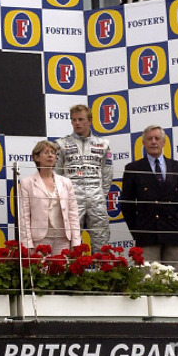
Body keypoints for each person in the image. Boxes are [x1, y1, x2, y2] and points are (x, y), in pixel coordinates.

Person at [121, 125, 178, 267]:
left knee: (175, 282)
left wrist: (173, 221)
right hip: (147, 234)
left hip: (173, 232)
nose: (153, 142)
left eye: (157, 138)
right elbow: (127, 205)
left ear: (163, 142)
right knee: (148, 282)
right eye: (149, 139)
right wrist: (138, 231)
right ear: (143, 143)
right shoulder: (133, 169)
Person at [55, 105, 113, 252]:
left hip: (96, 198)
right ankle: (71, 273)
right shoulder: (61, 144)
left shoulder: (103, 144)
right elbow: (57, 173)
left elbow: (107, 174)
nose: (77, 123)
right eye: (74, 120)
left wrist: (99, 194)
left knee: (101, 241)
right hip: (71, 199)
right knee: (70, 241)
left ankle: (102, 273)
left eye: (81, 119)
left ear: (90, 121)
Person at [18, 140, 81, 253]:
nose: (50, 155)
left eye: (53, 152)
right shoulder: (27, 183)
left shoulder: (66, 182)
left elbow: (73, 214)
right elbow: (24, 217)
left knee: (62, 270)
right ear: (37, 158)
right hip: (39, 239)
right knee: (40, 270)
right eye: (46, 152)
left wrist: (76, 241)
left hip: (63, 238)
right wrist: (27, 244)